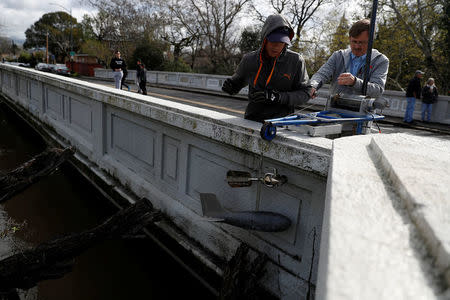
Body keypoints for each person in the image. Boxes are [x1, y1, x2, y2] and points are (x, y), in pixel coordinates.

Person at [221, 14, 311, 122]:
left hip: (282, 123)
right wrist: (230, 87)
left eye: (282, 42)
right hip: (251, 120)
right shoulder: (249, 59)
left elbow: (305, 93)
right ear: (265, 39)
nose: (277, 46)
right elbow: (237, 84)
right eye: (273, 41)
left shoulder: (296, 61)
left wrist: (277, 97)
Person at [310, 19, 389, 100]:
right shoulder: (338, 56)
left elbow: (377, 91)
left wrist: (355, 82)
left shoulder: (381, 61)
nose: (357, 46)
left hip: (363, 112)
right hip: (333, 108)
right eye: (354, 41)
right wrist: (313, 86)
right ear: (349, 38)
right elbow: (321, 74)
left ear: (371, 41)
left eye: (362, 42)